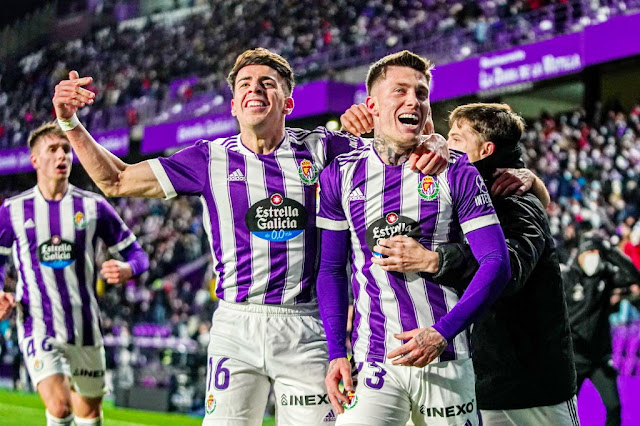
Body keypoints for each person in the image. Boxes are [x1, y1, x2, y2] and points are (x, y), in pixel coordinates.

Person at [52, 48, 447, 426]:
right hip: (235, 326)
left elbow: (401, 139)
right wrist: (70, 123)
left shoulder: (324, 148)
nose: (255, 89)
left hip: (306, 326)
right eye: (245, 84)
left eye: (267, 83)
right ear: (234, 105)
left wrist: (435, 140)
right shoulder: (207, 159)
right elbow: (116, 180)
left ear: (288, 104)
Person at [342, 102, 579, 425]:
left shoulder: (513, 198)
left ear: (486, 149)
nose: (444, 145)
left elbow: (508, 270)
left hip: (529, 387)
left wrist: (435, 259)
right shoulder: (452, 190)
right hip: (478, 379)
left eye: (455, 139)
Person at [316, 51, 511, 426]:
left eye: (421, 93)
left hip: (447, 357)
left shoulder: (456, 170)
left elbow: (496, 263)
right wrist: (335, 352)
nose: (413, 101)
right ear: (371, 105)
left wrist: (441, 333)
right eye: (400, 91)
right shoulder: (339, 175)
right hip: (376, 360)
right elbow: (330, 271)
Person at [0, 121, 149, 426]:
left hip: (85, 327)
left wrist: (127, 268)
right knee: (58, 405)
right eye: (52, 150)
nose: (62, 156)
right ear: (35, 160)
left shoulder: (93, 207)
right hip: (37, 323)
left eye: (66, 149)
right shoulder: (12, 211)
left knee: (89, 414)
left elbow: (138, 254)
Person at [563, 231, 640, 426]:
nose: (593, 257)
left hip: (599, 358)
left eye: (597, 252)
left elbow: (633, 276)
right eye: (590, 251)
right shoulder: (567, 277)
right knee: (564, 414)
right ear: (580, 253)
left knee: (614, 407)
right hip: (573, 359)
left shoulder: (605, 275)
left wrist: (611, 251)